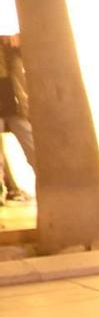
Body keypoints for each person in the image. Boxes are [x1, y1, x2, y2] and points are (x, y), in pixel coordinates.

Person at [0, 35, 30, 203]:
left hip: (15, 106)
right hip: (13, 106)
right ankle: (9, 190)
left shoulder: (9, 48)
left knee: (32, 147)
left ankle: (11, 189)